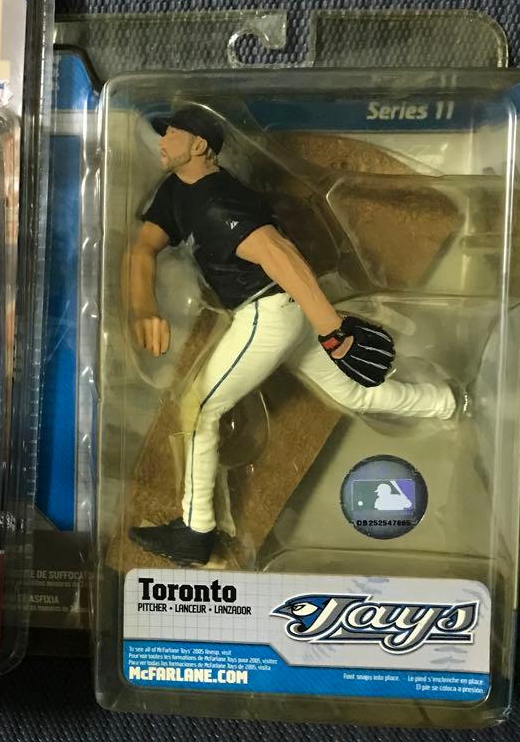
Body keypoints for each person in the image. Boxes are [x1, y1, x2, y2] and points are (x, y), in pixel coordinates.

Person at [127, 107, 456, 565]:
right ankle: (446, 402)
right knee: (353, 394)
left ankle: (196, 531)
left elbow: (280, 255)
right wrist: (143, 307)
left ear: (198, 145)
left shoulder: (217, 201)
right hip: (279, 314)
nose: (161, 141)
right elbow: (143, 246)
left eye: (172, 134)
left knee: (199, 407)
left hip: (268, 313)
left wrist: (334, 331)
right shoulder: (177, 191)